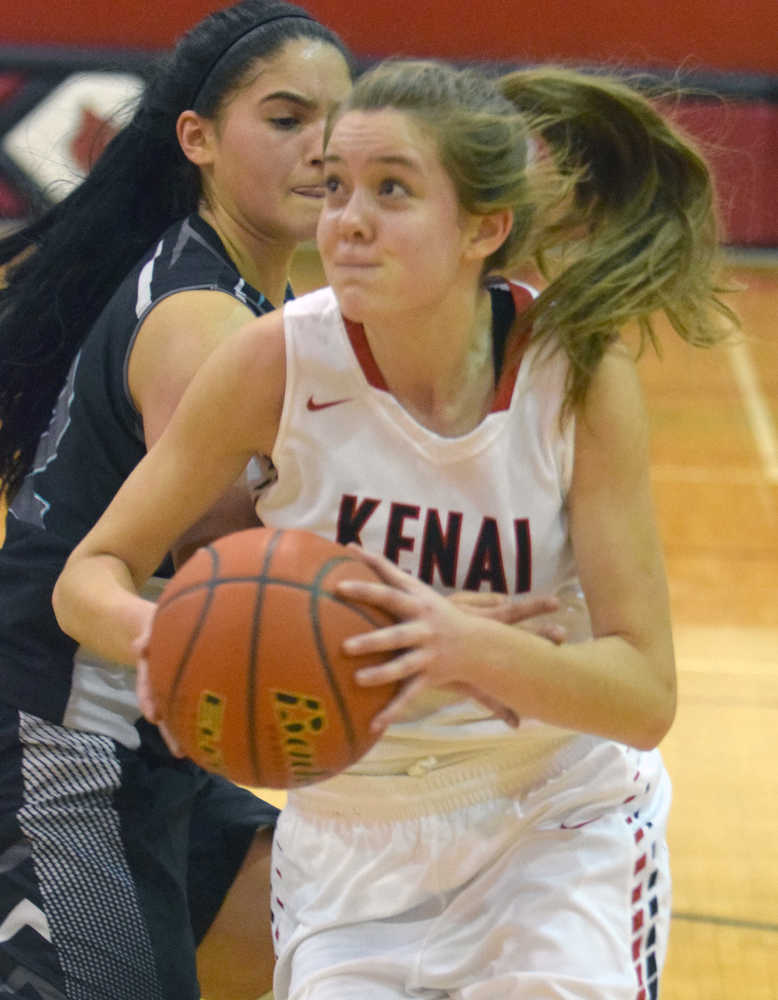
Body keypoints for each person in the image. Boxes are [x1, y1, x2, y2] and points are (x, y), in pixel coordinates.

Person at [52, 57, 738, 999]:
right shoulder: (273, 362)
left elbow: (643, 694)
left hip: (552, 818)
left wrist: (460, 646)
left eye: (392, 190)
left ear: (484, 229)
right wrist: (170, 640)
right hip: (347, 835)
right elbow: (90, 574)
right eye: (336, 186)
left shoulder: (574, 374)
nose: (347, 219)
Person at [0, 3, 356, 997]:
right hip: (57, 738)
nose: (322, 146)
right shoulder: (203, 321)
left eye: (339, 120)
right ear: (196, 138)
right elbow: (244, 588)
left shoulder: (235, 287)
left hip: (140, 738)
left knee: (318, 941)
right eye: (285, 118)